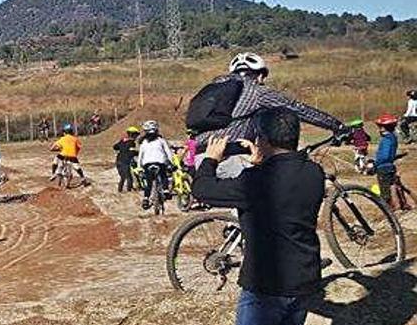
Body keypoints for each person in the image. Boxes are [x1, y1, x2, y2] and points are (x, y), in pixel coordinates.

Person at [192, 107, 325, 325]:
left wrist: (210, 158)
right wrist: (261, 161)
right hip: (305, 277)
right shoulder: (314, 173)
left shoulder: (256, 181)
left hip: (268, 281)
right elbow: (280, 190)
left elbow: (203, 190)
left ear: (261, 140)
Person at [187, 52, 347, 153]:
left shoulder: (215, 86)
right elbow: (298, 109)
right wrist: (337, 126)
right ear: (260, 75)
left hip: (201, 152)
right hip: (231, 154)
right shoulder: (257, 92)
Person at [137, 120, 174, 210]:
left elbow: (140, 156)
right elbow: (168, 152)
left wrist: (139, 167)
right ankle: (165, 190)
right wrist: (171, 162)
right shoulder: (161, 140)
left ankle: (146, 198)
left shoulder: (144, 142)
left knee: (148, 182)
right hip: (160, 162)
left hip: (147, 163)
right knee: (163, 175)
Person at [374, 113, 400, 207]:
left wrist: (375, 164)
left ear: (384, 128)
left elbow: (384, 156)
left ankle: (388, 210)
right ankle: (399, 205)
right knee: (393, 186)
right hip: (390, 166)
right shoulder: (393, 138)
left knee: (384, 191)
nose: (379, 129)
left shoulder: (386, 139)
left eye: (380, 127)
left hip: (383, 168)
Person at [113, 127, 140, 192]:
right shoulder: (131, 142)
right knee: (129, 178)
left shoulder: (123, 140)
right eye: (136, 135)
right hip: (125, 162)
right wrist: (139, 153)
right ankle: (129, 191)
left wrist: (121, 146)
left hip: (118, 161)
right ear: (133, 135)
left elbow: (115, 147)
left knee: (123, 177)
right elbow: (131, 152)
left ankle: (120, 190)